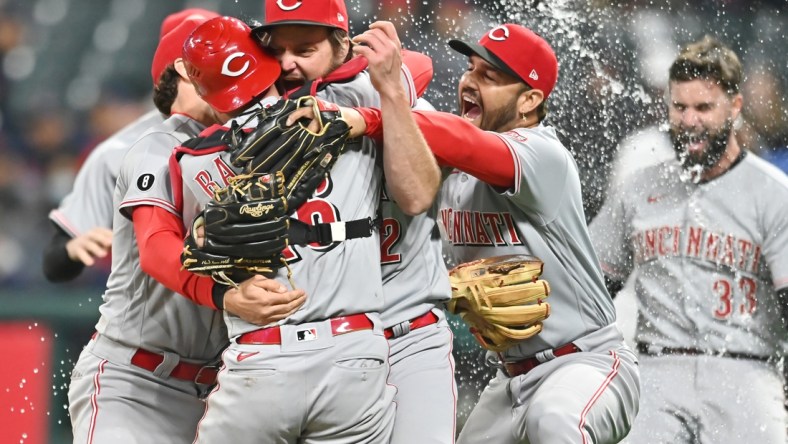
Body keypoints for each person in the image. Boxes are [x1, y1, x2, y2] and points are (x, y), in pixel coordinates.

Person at [331, 21, 641, 443]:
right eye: (470, 69)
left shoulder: (542, 154)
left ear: (530, 100)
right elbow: (420, 123)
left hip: (586, 362)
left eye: (489, 77)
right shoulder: (449, 159)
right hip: (512, 378)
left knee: (555, 421)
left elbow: (464, 144)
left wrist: (370, 117)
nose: (470, 82)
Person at [174, 2, 441, 442]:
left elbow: (414, 73)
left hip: (395, 334)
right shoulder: (360, 95)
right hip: (339, 344)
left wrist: (369, 113)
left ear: (343, 43)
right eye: (275, 50)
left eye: (305, 48)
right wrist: (219, 282)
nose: (288, 63)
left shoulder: (197, 156)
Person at [66, 11, 303, 443]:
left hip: (224, 390)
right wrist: (225, 295)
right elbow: (157, 249)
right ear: (184, 71)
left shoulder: (256, 143)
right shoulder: (157, 147)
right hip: (135, 383)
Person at [589, 35, 788, 443]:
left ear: (734, 107)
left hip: (745, 370)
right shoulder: (639, 188)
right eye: (680, 107)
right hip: (658, 370)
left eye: (703, 107)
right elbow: (590, 286)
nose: (690, 120)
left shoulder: (773, 193)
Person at [41, 9, 216, 282]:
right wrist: (72, 248)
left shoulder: (263, 127)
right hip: (153, 306)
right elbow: (55, 263)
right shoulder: (119, 152)